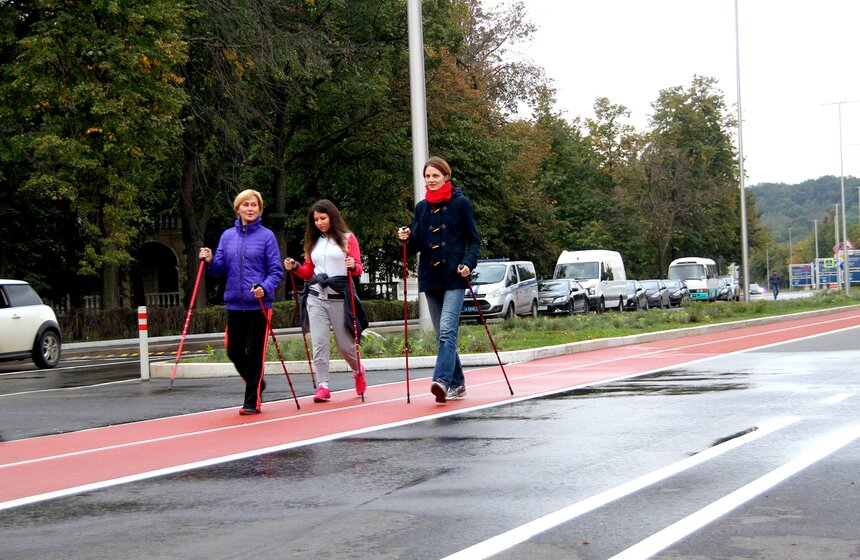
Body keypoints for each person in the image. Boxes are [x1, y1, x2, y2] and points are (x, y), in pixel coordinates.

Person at [397, 156, 480, 403]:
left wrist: (468, 264)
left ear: (446, 176)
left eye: (435, 175)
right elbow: (416, 245)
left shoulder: (461, 203)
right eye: (428, 176)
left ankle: (441, 381)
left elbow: (474, 240)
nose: (431, 180)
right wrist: (406, 238)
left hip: (454, 277)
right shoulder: (421, 207)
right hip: (430, 278)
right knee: (442, 334)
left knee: (446, 330)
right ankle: (458, 383)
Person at [199, 189, 283, 415]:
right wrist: (208, 261)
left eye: (254, 205)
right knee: (234, 352)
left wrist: (263, 288)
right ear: (238, 209)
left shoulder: (267, 236)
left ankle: (252, 401)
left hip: (259, 305)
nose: (250, 208)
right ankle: (257, 383)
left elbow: (276, 271)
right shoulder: (227, 236)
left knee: (255, 353)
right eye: (245, 205)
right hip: (234, 304)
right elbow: (219, 270)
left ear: (260, 209)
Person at [284, 200, 368, 403]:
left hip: (339, 297)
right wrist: (295, 266)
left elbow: (358, 268)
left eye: (323, 218)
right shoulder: (314, 242)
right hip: (315, 296)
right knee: (319, 343)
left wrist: (352, 265)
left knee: (345, 346)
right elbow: (307, 273)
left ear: (332, 217)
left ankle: (358, 370)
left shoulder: (348, 239)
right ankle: (323, 386)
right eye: (316, 220)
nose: (319, 223)